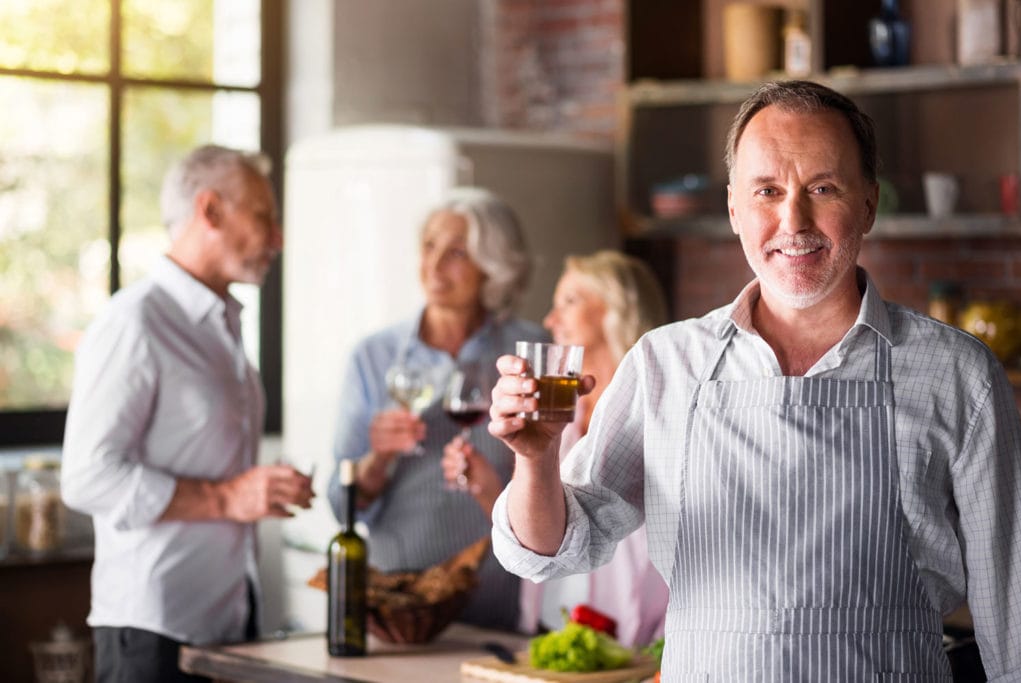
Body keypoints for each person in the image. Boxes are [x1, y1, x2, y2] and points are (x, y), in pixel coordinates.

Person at [487, 80, 1021, 679]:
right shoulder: (665, 364)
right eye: (767, 190)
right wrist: (535, 460)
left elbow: (1014, 598)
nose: (793, 220)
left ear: (869, 203)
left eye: (823, 188)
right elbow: (553, 551)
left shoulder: (957, 373)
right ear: (734, 208)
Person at [61, 145, 314, 683]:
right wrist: (227, 498)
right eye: (265, 216)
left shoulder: (221, 325)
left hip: (226, 623)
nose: (279, 238)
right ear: (211, 211)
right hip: (152, 635)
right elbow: (86, 477)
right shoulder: (136, 322)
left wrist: (260, 490)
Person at [327, 187, 547, 632]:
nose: (433, 265)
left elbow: (558, 482)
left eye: (457, 253)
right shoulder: (375, 356)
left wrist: (494, 486)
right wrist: (379, 457)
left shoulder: (533, 350)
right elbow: (341, 502)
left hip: (496, 607)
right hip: (398, 611)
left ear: (492, 265)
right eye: (429, 246)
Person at [441, 249, 670, 645]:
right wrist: (491, 490)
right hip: (556, 627)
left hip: (644, 638)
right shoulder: (557, 410)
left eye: (569, 301)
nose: (550, 320)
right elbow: (551, 532)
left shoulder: (663, 406)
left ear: (617, 306)